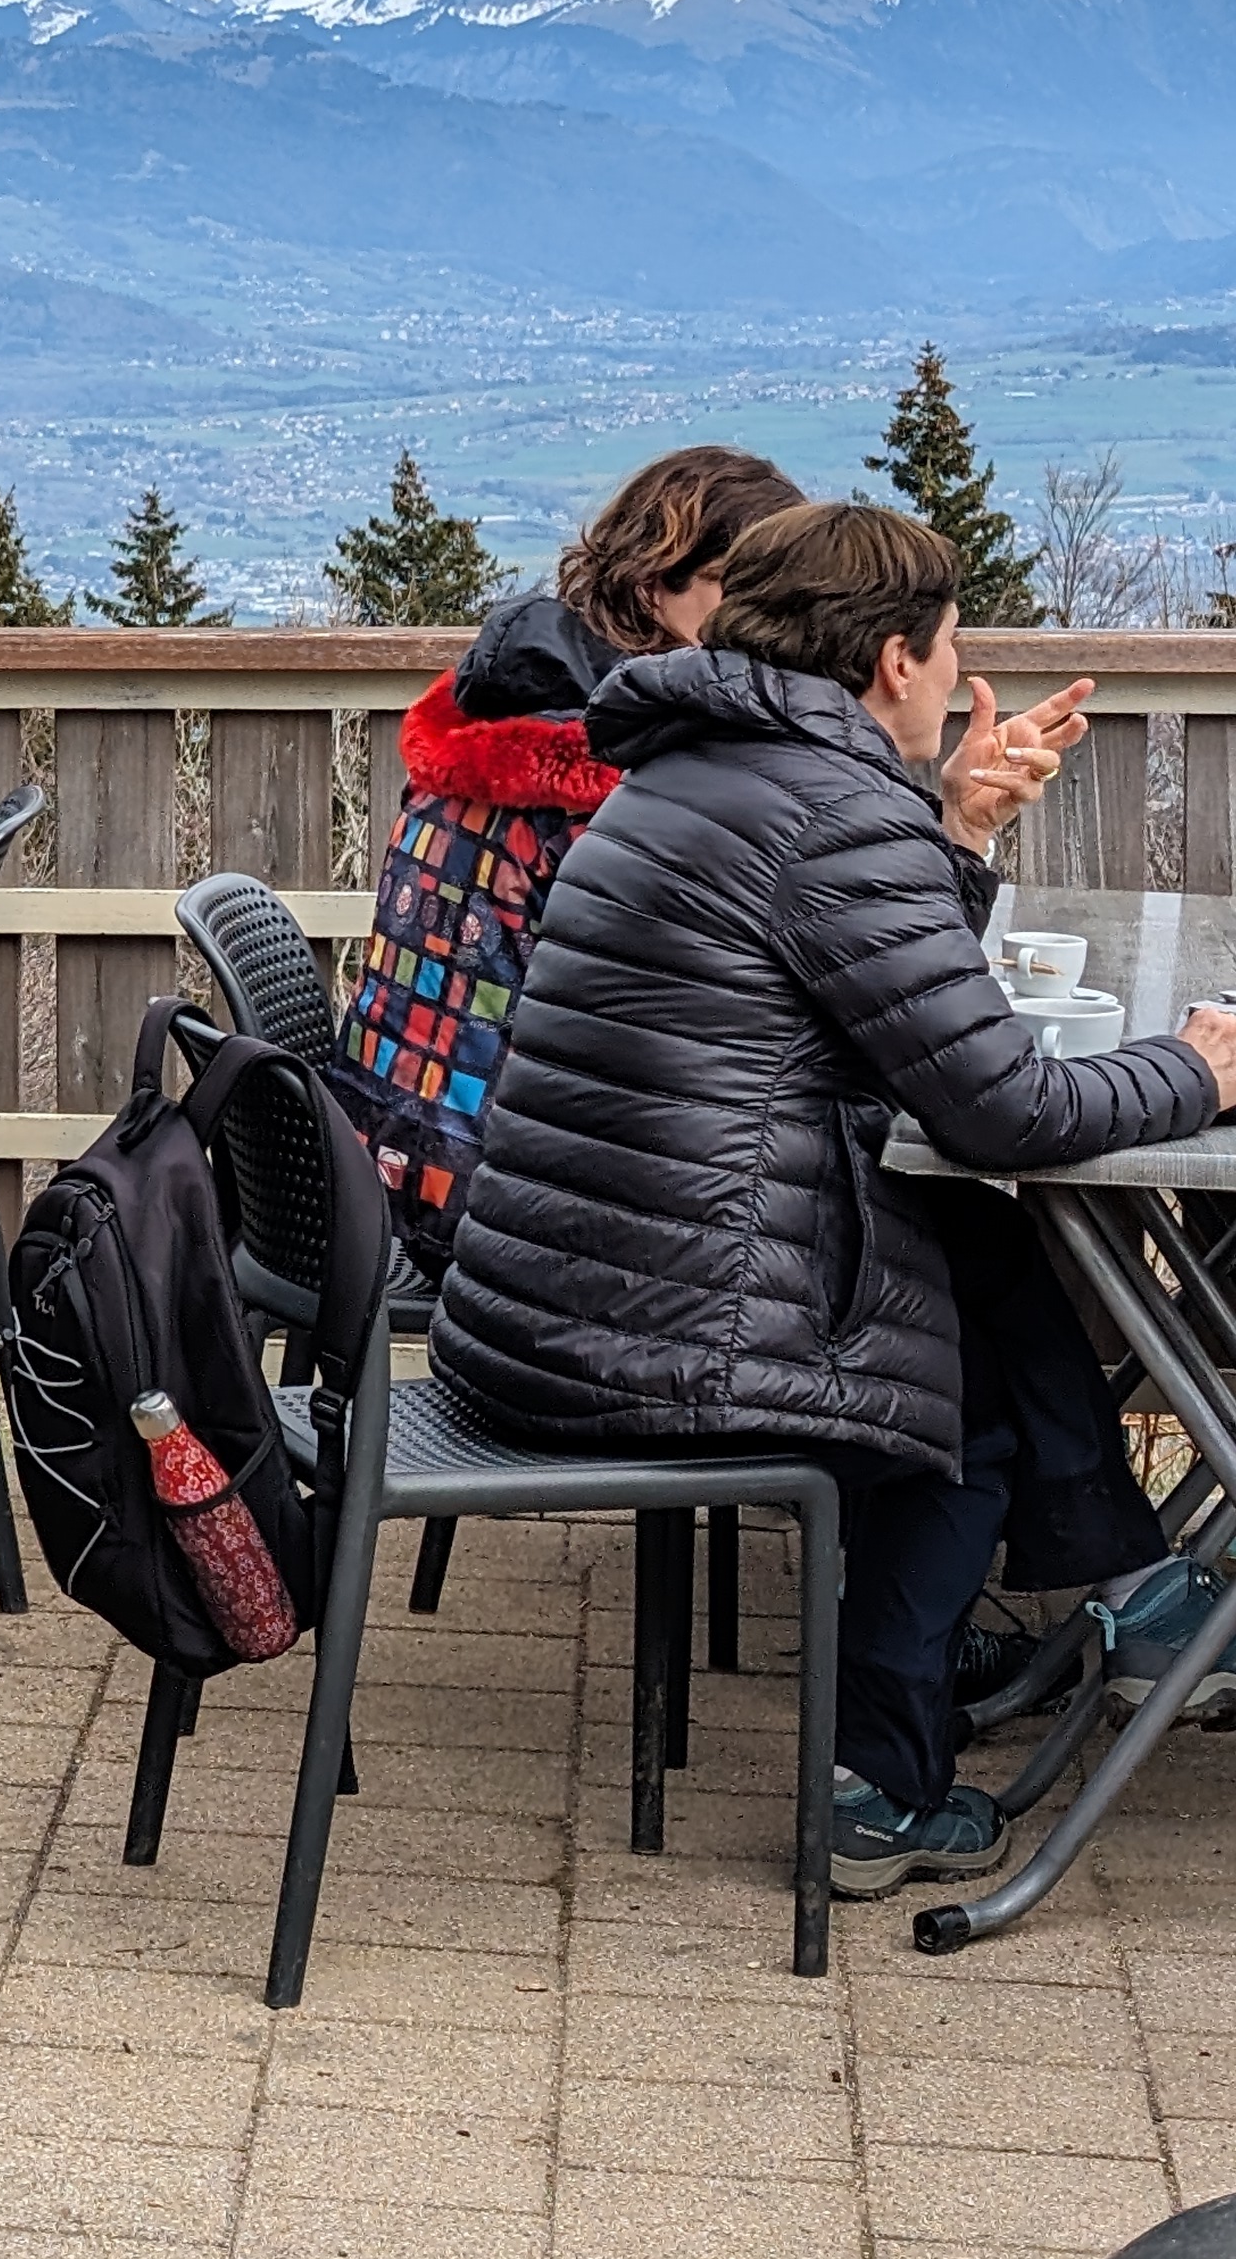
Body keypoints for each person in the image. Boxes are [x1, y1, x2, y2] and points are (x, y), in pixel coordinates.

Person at [432, 500, 1236, 1892]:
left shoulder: (704, 767)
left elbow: (868, 1009)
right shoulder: (832, 810)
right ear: (893, 661)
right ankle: (882, 1793)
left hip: (562, 1299)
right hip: (653, 1341)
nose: (957, 672)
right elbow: (1004, 1109)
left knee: (977, 1244)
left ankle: (1133, 1597)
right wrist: (1200, 1069)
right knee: (947, 1402)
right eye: (951, 645)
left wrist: (954, 830)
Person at [332, 446, 804, 1273]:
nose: (770, 624)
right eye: (739, 587)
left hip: (380, 1160)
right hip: (507, 1204)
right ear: (656, 586)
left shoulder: (493, 722)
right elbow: (703, 1011)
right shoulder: (618, 790)